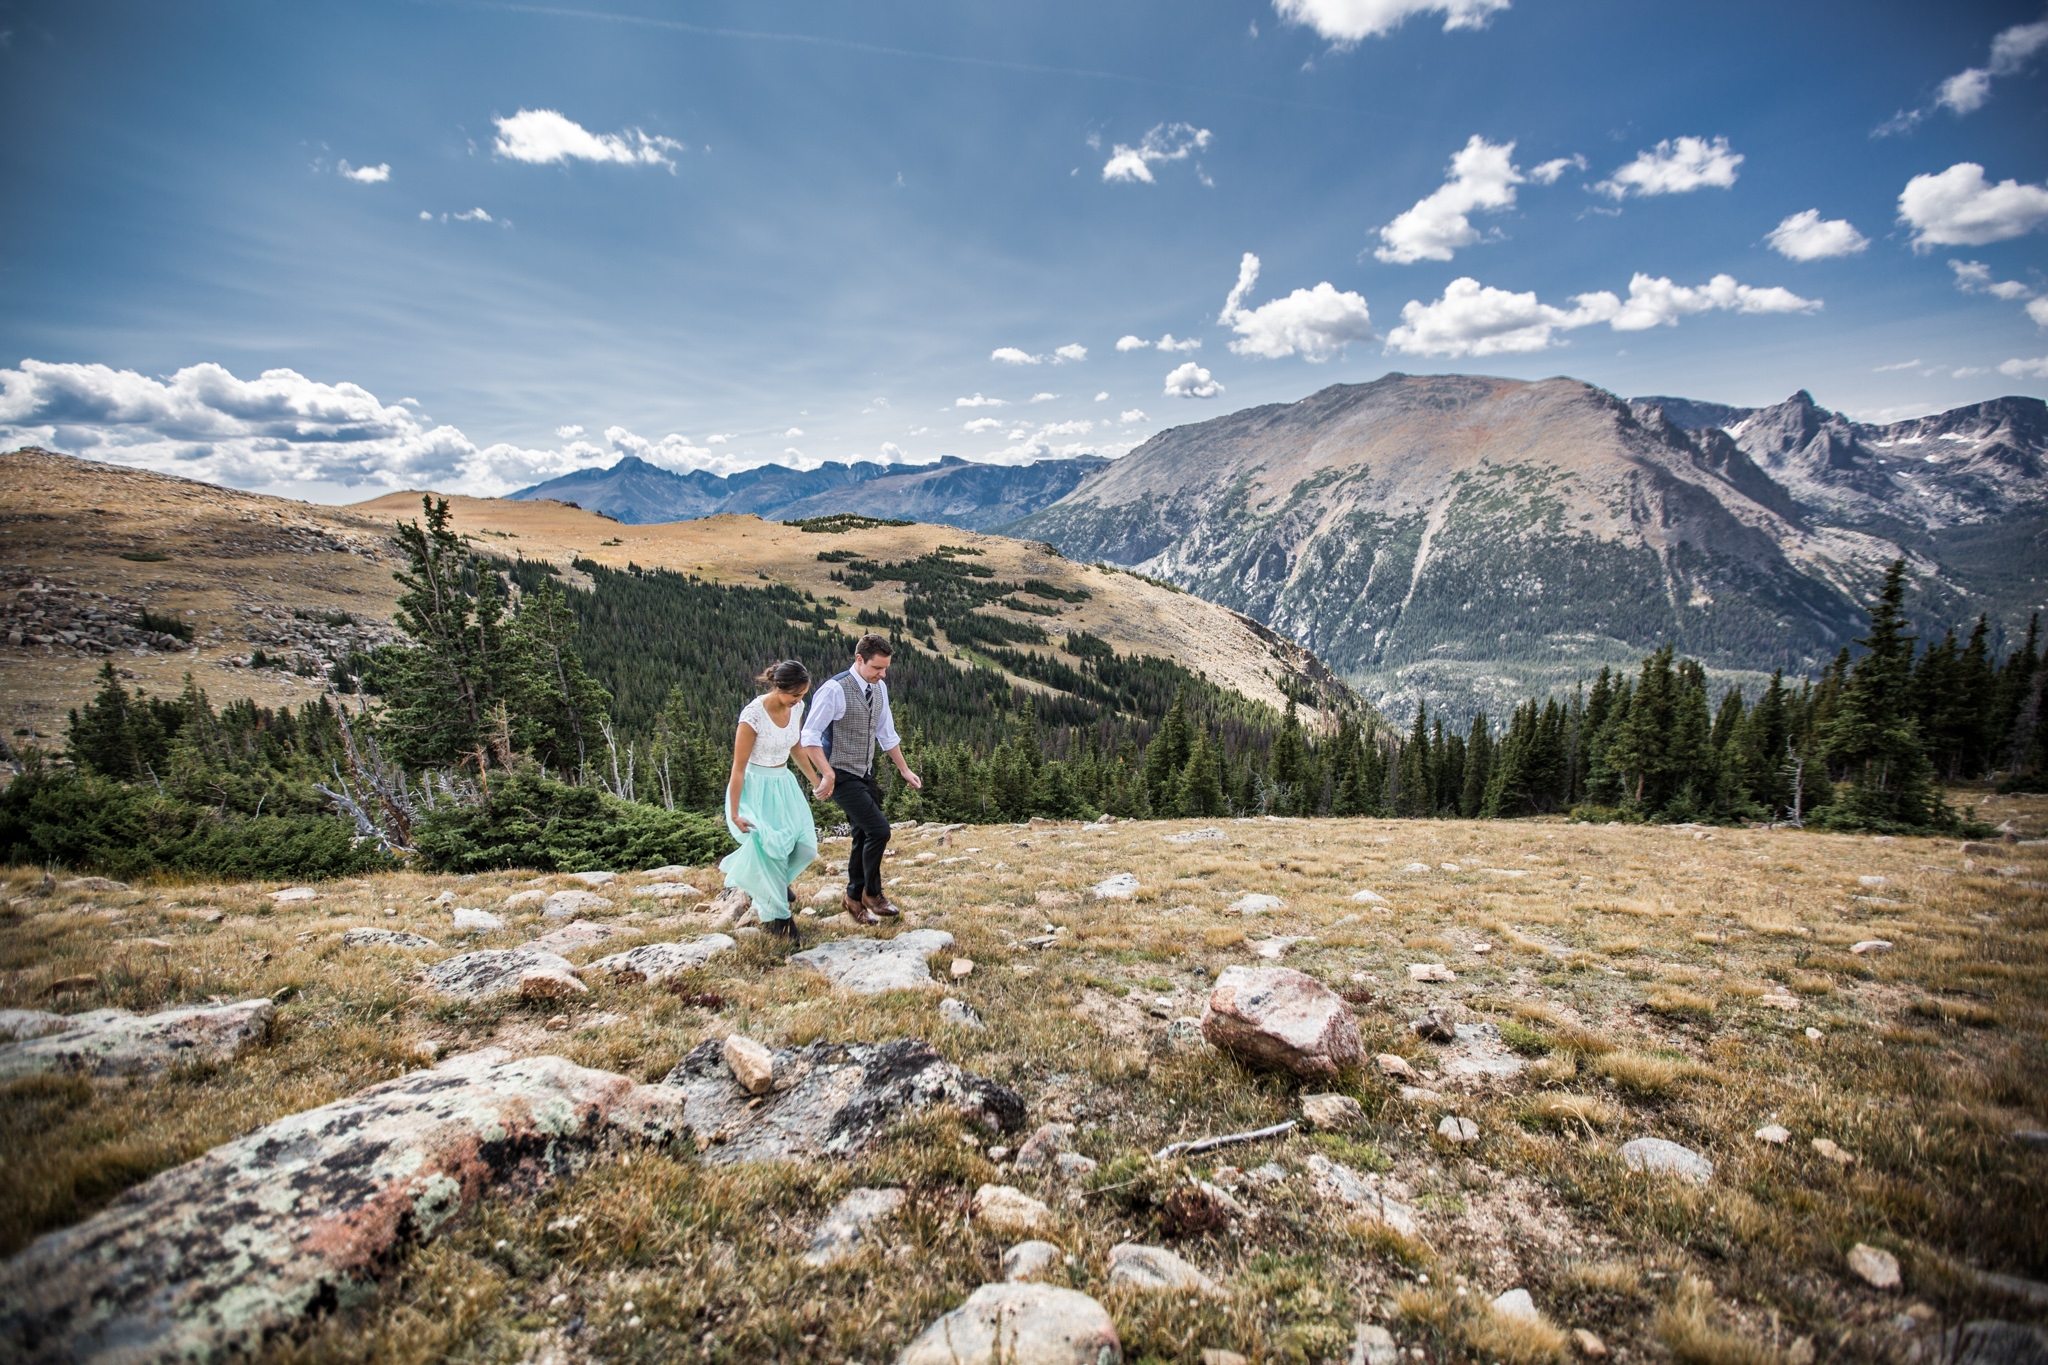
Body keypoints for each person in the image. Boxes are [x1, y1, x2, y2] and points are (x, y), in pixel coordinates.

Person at [799, 633, 921, 925]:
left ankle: (853, 897)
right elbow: (808, 736)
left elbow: (886, 734)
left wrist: (904, 770)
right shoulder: (834, 690)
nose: (882, 674)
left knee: (863, 834)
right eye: (877, 668)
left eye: (886, 668)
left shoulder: (880, 689)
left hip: (865, 771)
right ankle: (871, 894)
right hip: (840, 773)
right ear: (859, 659)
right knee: (879, 831)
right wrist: (825, 774)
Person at [719, 660, 825, 944]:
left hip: (783, 784)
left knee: (805, 847)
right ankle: (782, 922)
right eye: (795, 695)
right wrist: (735, 811)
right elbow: (738, 769)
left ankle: (770, 885)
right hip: (755, 788)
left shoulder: (796, 707)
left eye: (802, 695)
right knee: (774, 850)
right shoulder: (753, 715)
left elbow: (796, 748)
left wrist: (817, 782)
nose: (799, 701)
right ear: (779, 686)